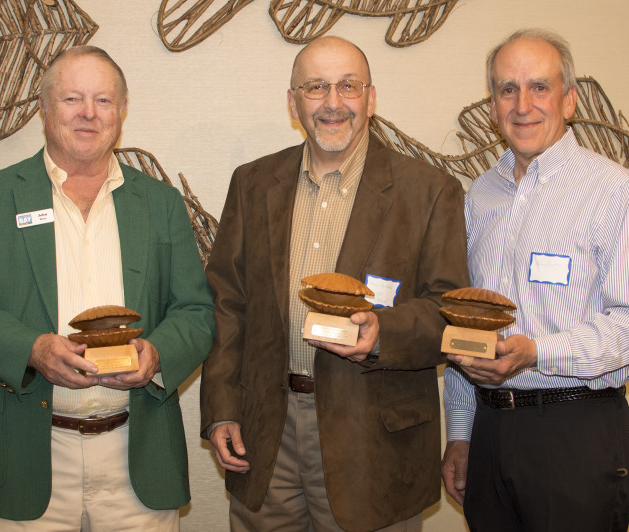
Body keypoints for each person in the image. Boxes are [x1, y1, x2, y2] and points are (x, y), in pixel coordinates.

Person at [0, 45, 215, 530]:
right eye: (72, 99)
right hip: (25, 451)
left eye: (103, 101)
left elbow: (196, 311)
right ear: (43, 108)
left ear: (121, 113)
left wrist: (157, 355)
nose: (88, 113)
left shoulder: (160, 203)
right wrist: (32, 349)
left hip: (136, 454)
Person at [200, 35, 469, 531]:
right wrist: (221, 409)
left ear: (370, 97)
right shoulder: (252, 183)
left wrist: (383, 333)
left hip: (374, 440)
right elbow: (226, 304)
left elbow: (450, 311)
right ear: (293, 102)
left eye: (348, 86)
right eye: (315, 87)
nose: (332, 102)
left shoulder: (429, 191)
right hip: (267, 435)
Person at [441, 29, 629, 532]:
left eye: (539, 87)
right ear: (493, 104)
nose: (523, 105)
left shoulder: (614, 191)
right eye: (507, 89)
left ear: (569, 100)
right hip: (490, 433)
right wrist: (460, 435)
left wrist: (538, 351)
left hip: (575, 436)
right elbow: (466, 322)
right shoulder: (479, 197)